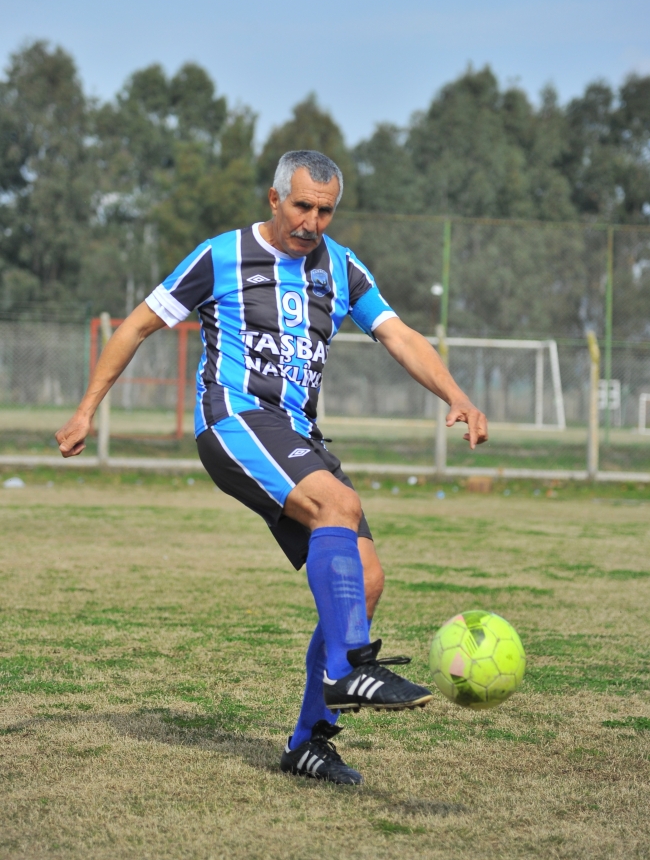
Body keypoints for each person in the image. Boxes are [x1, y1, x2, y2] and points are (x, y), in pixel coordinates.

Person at [56, 149, 488, 787]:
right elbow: (138, 326)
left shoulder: (339, 267)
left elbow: (398, 334)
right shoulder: (220, 255)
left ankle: (310, 742)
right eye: (302, 206)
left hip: (299, 436)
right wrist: (86, 410)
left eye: (326, 210)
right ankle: (347, 670)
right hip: (235, 423)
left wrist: (456, 394)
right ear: (274, 199)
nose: (313, 221)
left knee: (365, 582)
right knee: (336, 510)